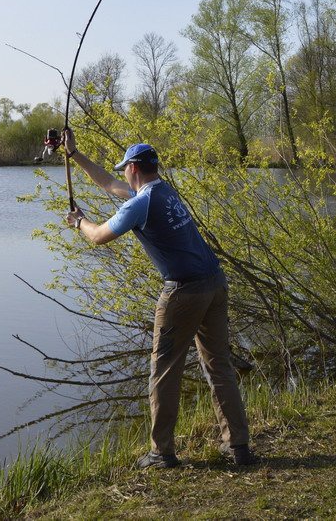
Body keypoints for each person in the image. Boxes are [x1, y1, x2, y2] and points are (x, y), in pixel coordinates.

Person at [61, 129, 258, 469]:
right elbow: (108, 184)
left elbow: (98, 236)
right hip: (214, 283)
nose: (122, 172)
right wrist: (75, 154)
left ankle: (162, 452)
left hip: (183, 291)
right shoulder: (164, 191)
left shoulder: (140, 203)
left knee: (163, 371)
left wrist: (79, 222)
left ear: (134, 168)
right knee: (219, 365)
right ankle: (238, 446)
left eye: (125, 167)